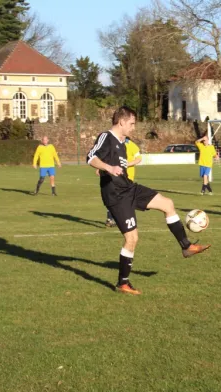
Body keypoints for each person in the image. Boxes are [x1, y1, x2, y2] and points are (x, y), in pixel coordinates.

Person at [87, 106, 210, 295]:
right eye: (132, 123)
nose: (134, 127)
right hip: (116, 197)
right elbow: (90, 157)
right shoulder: (106, 137)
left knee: (167, 204)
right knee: (132, 238)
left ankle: (186, 247)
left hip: (129, 188)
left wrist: (107, 167)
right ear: (121, 122)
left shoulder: (122, 142)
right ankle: (123, 283)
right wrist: (108, 168)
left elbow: (106, 164)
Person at [105, 137, 142, 227]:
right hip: (116, 175)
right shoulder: (113, 144)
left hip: (128, 176)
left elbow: (139, 158)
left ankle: (118, 218)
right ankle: (112, 218)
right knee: (115, 196)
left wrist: (127, 164)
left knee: (123, 198)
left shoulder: (132, 145)